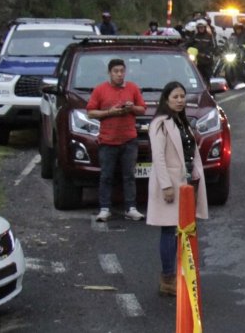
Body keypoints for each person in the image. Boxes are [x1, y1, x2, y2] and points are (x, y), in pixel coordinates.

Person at [146, 81, 208, 297]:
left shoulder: (183, 121)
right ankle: (167, 277)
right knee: (169, 230)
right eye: (175, 97)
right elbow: (159, 157)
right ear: (166, 99)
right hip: (171, 183)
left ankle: (183, 272)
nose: (180, 100)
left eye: (182, 96)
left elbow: (192, 151)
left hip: (188, 183)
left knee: (185, 229)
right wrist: (165, 186)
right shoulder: (160, 124)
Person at [86, 58, 147, 222]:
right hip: (107, 140)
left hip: (129, 139)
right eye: (116, 71)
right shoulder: (100, 90)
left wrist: (131, 108)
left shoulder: (132, 88)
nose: (119, 75)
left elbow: (142, 108)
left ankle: (131, 207)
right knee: (106, 175)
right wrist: (109, 112)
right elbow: (91, 112)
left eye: (122, 71)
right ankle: (105, 208)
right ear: (110, 73)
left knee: (129, 175)